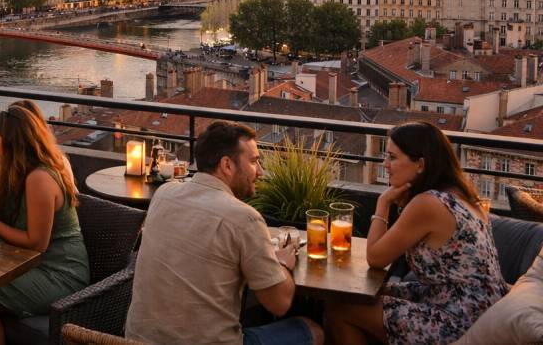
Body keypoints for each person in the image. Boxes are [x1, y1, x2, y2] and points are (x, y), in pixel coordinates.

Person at [125, 120, 322, 345]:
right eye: (254, 162)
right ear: (227, 165)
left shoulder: (164, 194)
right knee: (312, 330)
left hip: (136, 341)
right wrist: (284, 263)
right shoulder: (244, 218)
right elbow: (280, 303)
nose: (260, 172)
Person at [325, 121, 507, 345]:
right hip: (475, 309)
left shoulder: (428, 204)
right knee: (366, 294)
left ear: (420, 164)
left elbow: (375, 257)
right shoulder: (463, 196)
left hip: (459, 321)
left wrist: (382, 203)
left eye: (392, 157)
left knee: (340, 309)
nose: (384, 164)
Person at [0, 103, 89, 345]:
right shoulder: (24, 169)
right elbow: (7, 198)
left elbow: (37, 243)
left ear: (11, 143)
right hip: (31, 264)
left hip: (59, 273)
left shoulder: (40, 177)